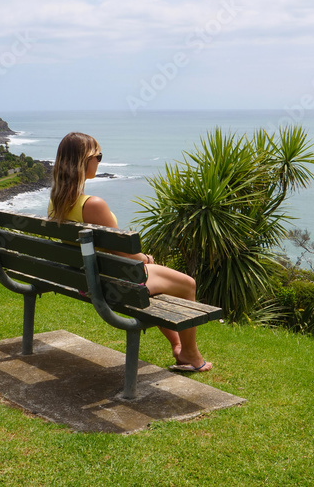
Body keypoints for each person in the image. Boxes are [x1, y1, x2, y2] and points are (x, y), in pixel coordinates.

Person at [47, 131, 212, 372]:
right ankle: (190, 353)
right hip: (113, 283)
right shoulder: (92, 204)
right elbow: (125, 254)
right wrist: (146, 258)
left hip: (86, 279)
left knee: (157, 284)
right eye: (98, 156)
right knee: (187, 284)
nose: (99, 162)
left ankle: (180, 347)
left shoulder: (55, 202)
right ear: (83, 161)